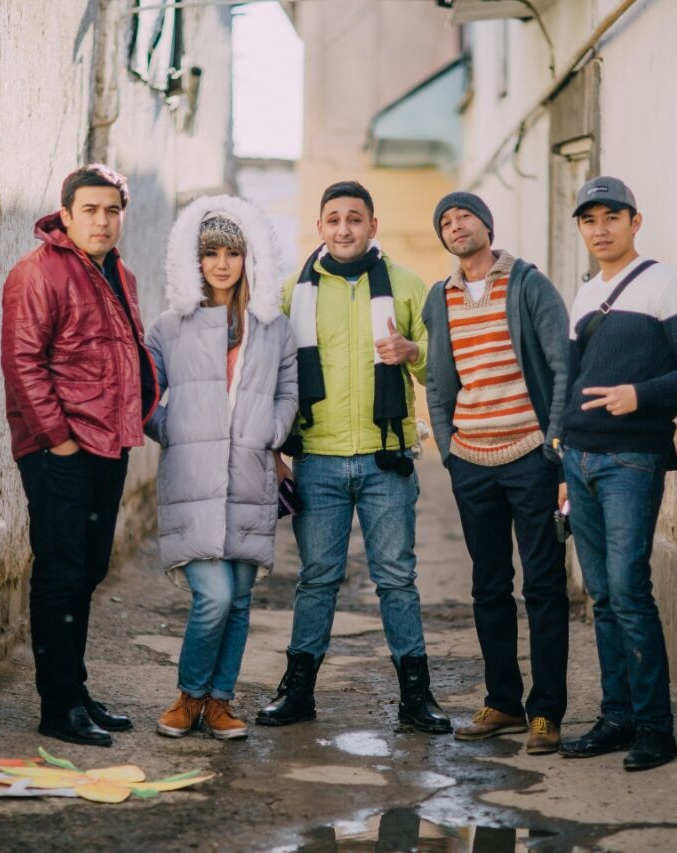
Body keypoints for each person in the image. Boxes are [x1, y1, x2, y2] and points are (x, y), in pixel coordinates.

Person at [255, 181, 450, 733]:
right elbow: (270, 375)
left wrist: (413, 351)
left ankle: (416, 697)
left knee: (396, 578)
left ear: (373, 225)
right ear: (320, 227)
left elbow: (439, 365)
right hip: (317, 457)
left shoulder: (406, 285)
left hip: (387, 458)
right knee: (317, 577)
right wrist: (273, 449)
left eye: (355, 218)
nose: (344, 228)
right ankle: (298, 693)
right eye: (334, 219)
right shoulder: (291, 292)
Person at [557, 176, 677, 770]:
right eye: (589, 220)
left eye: (611, 217)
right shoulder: (584, 294)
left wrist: (639, 394)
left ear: (634, 221)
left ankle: (656, 728)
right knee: (602, 595)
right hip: (579, 459)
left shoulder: (666, 283)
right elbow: (572, 381)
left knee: (628, 589)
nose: (600, 230)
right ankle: (617, 716)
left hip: (632, 459)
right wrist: (562, 459)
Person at [1, 163, 158, 746]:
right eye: (89, 210)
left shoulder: (120, 274)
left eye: (112, 210)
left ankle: (76, 691)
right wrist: (59, 442)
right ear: (65, 215)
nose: (102, 220)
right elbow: (22, 363)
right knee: (61, 574)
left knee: (88, 570)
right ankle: (58, 705)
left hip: (108, 444)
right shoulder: (37, 272)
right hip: (58, 449)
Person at [422, 192, 571, 755]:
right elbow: (439, 383)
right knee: (489, 587)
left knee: (544, 585)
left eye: (464, 216)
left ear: (486, 225)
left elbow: (562, 367)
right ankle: (504, 702)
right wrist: (450, 452)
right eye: (445, 221)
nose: (455, 225)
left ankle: (546, 711)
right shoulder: (440, 298)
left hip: (531, 456)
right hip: (473, 463)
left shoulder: (528, 284)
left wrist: (553, 445)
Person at [144, 195, 297, 741]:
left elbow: (289, 390)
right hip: (193, 478)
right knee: (215, 596)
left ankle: (219, 702)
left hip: (251, 476)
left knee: (240, 600)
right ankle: (189, 695)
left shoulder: (273, 327)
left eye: (233, 252)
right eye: (211, 253)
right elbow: (144, 393)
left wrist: (271, 431)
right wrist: (174, 429)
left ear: (249, 258)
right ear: (195, 260)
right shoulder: (169, 326)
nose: (222, 264)